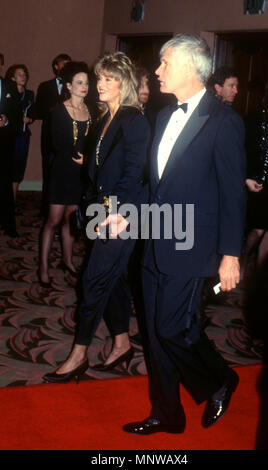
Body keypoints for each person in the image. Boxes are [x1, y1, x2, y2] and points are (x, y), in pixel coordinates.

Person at [114, 34, 245, 434]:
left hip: (194, 246)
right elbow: (154, 184)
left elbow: (232, 194)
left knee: (174, 328)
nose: (157, 71)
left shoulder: (224, 121)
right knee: (155, 335)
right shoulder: (164, 116)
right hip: (155, 240)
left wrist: (231, 254)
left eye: (164, 63)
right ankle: (167, 414)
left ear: (189, 68)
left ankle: (220, 379)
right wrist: (126, 214)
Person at [42, 52, 150, 381]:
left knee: (91, 282)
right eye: (98, 78)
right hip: (100, 208)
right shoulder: (106, 116)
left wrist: (116, 213)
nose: (99, 84)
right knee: (113, 280)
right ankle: (121, 343)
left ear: (124, 84)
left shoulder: (134, 120)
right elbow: (103, 163)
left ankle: (79, 355)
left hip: (121, 215)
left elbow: (134, 175)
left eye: (107, 79)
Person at [38, 61, 92, 287]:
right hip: (62, 171)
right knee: (54, 220)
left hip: (81, 174)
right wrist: (81, 158)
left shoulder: (92, 110)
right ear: (68, 86)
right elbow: (58, 144)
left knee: (71, 219)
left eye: (86, 82)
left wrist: (88, 162)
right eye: (79, 83)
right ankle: (42, 266)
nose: (84, 87)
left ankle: (67, 261)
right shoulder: (60, 110)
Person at [242, 76, 268, 346]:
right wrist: (247, 176)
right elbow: (244, 150)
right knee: (256, 229)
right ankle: (242, 260)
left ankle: (260, 273)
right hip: (257, 180)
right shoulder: (257, 116)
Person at [35, 53, 71, 217]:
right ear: (56, 66)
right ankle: (46, 212)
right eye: (63, 64)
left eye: (68, 65)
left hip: (68, 138)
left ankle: (63, 213)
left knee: (64, 176)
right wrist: (51, 110)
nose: (66, 68)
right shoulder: (44, 86)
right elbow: (38, 110)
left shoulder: (73, 86)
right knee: (48, 173)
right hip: (49, 137)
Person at [5, 64, 35, 203]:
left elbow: (33, 114)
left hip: (22, 136)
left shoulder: (29, 95)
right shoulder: (6, 94)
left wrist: (29, 119)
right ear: (12, 77)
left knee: (17, 170)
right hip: (6, 136)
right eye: (19, 74)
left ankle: (12, 203)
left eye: (25, 74)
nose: (23, 77)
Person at [0, 53, 21, 237]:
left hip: (4, 142)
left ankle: (8, 224)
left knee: (5, 183)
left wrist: (6, 120)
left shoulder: (9, 86)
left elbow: (17, 113)